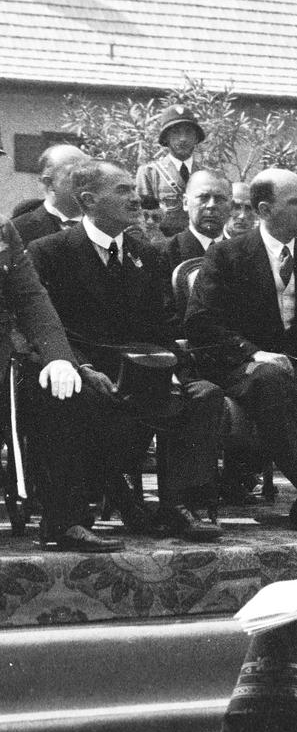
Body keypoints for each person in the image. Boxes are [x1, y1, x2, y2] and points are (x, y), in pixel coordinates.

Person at [31, 161, 224, 541]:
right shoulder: (49, 252)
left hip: (144, 371)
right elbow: (43, 328)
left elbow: (164, 325)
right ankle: (77, 511)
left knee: (204, 395)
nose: (134, 197)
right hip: (84, 371)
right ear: (88, 200)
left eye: (131, 188)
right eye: (121, 190)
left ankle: (178, 506)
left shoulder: (146, 255)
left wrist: (174, 369)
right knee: (81, 396)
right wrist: (81, 366)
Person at [186, 168, 297, 532]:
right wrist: (255, 354)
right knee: (269, 377)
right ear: (266, 209)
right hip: (239, 367)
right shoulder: (227, 255)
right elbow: (201, 322)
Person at [0, 204, 118, 551]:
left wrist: (59, 360)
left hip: (3, 361)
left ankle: (65, 521)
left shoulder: (3, 231)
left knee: (65, 391)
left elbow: (32, 299)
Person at [135, 106, 205, 237]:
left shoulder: (206, 175)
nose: (183, 138)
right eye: (176, 132)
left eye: (188, 132)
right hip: (163, 245)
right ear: (166, 138)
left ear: (196, 138)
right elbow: (143, 218)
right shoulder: (149, 173)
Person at [155, 170, 230, 280]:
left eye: (220, 199)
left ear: (230, 205)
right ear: (185, 203)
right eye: (203, 197)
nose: (211, 205)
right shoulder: (163, 253)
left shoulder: (242, 255)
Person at [12, 144, 90, 246]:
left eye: (88, 173)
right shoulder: (17, 230)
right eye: (75, 174)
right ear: (48, 183)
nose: (87, 181)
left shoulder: (106, 222)